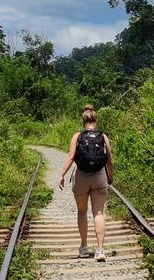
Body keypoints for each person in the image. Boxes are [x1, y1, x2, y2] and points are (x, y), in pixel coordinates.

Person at [58, 104, 114, 261]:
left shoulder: (77, 136)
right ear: (96, 120)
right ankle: (100, 250)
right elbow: (110, 160)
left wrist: (62, 175)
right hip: (99, 176)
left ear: (83, 121)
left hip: (81, 177)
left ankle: (84, 246)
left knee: (82, 211)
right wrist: (110, 175)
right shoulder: (103, 137)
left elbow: (71, 157)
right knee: (99, 212)